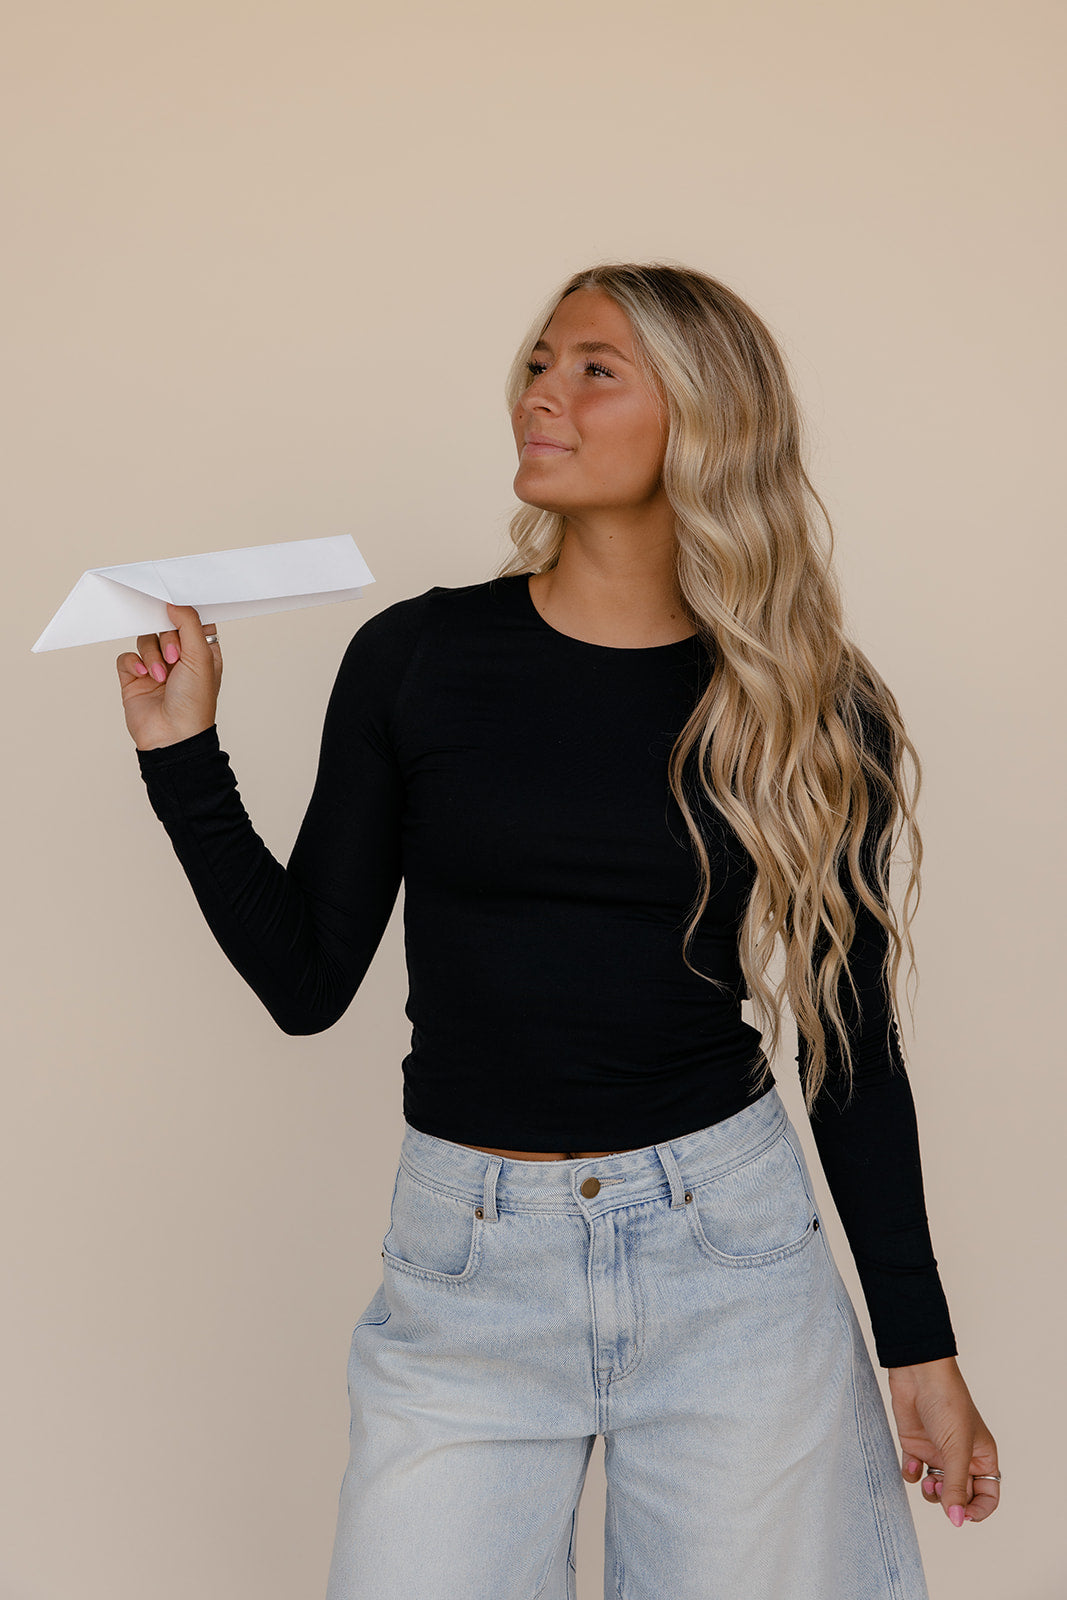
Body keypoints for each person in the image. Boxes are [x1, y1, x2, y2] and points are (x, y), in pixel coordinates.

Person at [117, 262, 999, 1599]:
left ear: (704, 422)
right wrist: (185, 762)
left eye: (596, 368)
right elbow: (307, 981)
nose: (544, 391)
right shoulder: (416, 661)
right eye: (539, 361)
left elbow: (849, 1044)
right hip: (465, 1271)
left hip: (731, 1266)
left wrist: (918, 1347)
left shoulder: (806, 704)